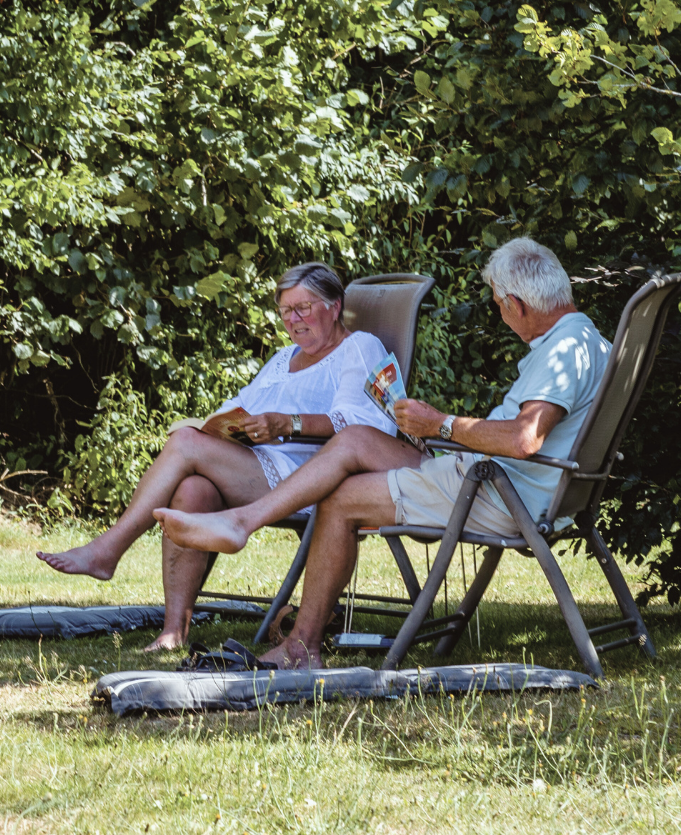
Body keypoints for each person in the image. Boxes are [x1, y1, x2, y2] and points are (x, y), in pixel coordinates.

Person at [155, 237, 610, 668]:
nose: (500, 313)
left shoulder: (563, 351)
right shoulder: (586, 340)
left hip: (499, 493)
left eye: (497, 304)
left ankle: (301, 643)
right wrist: (432, 435)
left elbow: (523, 440)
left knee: (342, 496)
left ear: (517, 304)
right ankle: (243, 523)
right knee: (355, 440)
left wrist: (442, 425)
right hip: (498, 480)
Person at [37, 262, 418, 652]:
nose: (294, 319)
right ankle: (173, 631)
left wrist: (289, 423)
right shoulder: (283, 359)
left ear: (335, 306)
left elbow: (362, 425)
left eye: (304, 307)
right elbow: (240, 406)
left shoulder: (360, 347)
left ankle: (109, 548)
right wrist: (224, 427)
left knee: (186, 443)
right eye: (286, 311)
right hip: (260, 468)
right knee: (192, 488)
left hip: (310, 477)